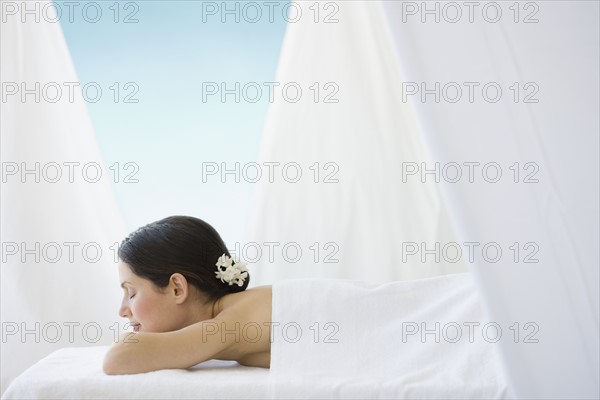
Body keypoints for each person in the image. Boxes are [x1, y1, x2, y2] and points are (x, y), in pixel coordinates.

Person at [102, 216, 272, 375]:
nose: (122, 311)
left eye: (131, 293)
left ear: (177, 289)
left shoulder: (232, 322)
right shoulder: (234, 317)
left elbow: (118, 357)